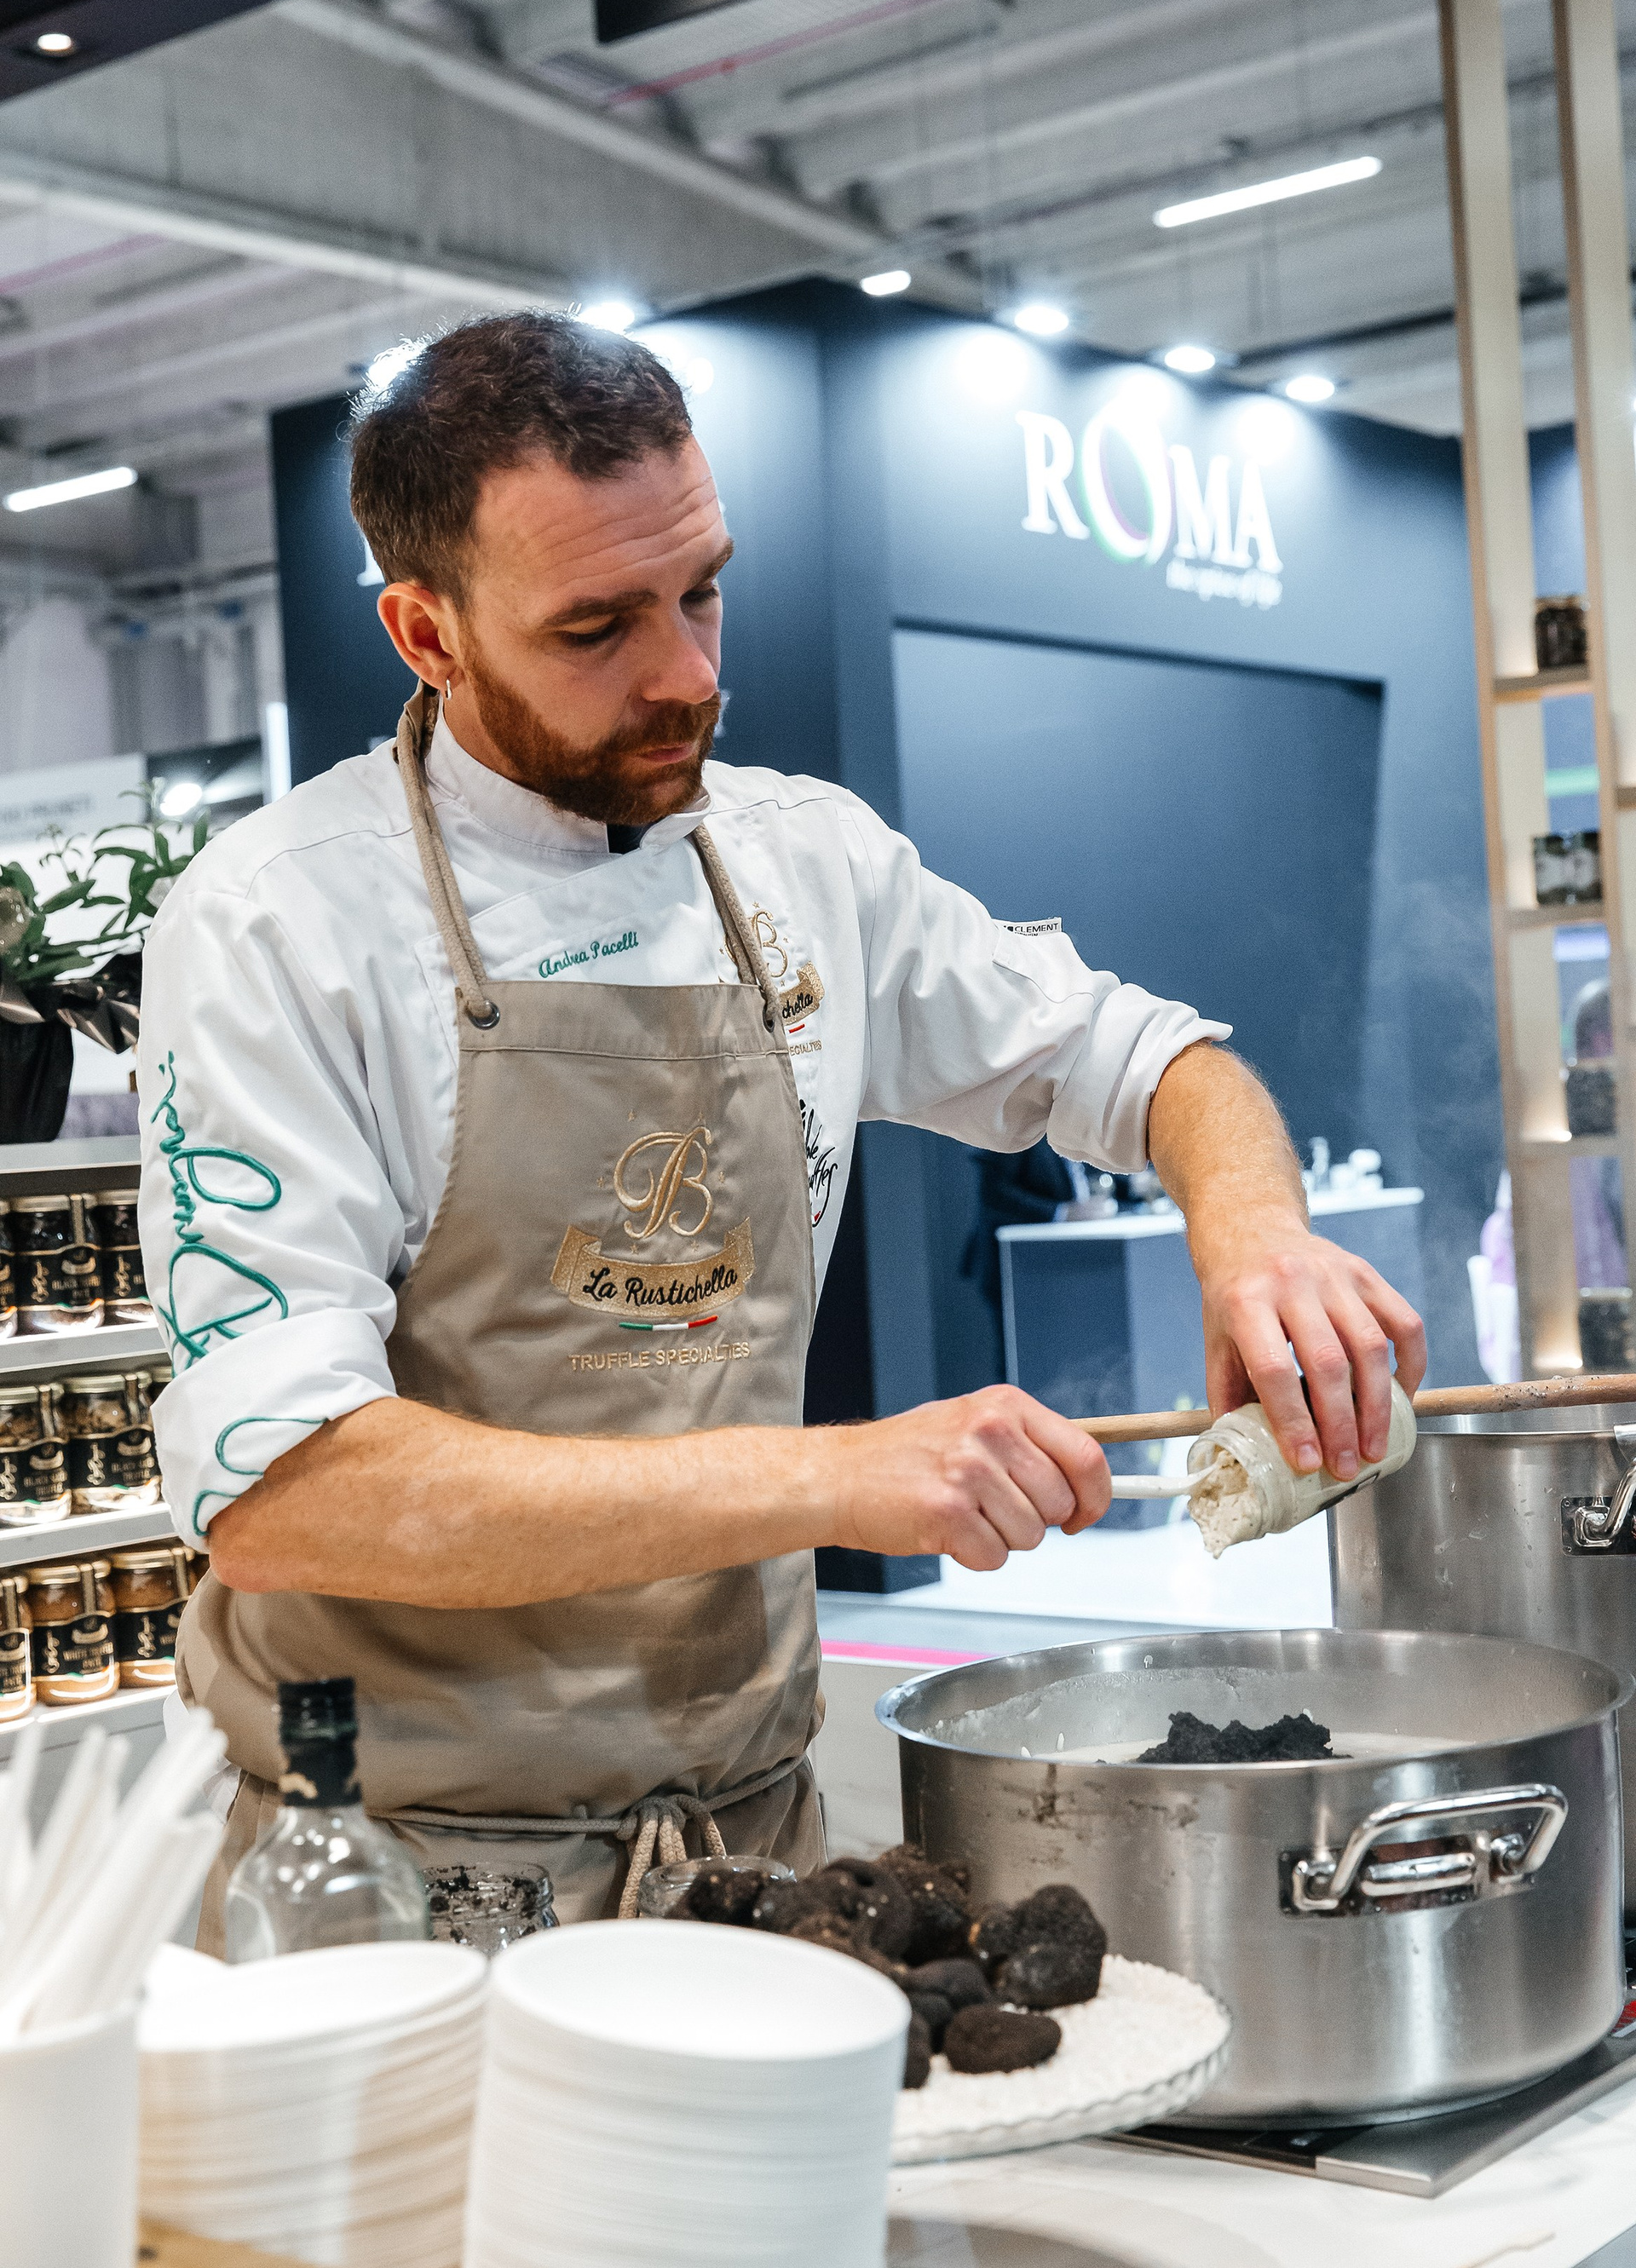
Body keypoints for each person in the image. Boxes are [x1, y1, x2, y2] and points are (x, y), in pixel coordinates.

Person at [135, 314, 1425, 1937]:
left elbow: (1149, 1058)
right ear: (427, 634)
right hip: (395, 1875)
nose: (687, 674)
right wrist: (831, 1478)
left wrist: (1258, 1237)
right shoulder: (277, 926)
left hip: (751, 1837)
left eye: (703, 591)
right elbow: (289, 1492)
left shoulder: (804, 863)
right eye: (597, 626)